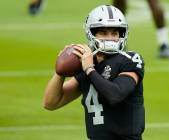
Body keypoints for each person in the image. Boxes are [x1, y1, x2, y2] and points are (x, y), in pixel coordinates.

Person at [43, 5, 145, 140]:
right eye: (103, 33)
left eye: (114, 33)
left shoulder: (129, 59)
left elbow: (116, 94)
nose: (110, 38)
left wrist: (90, 69)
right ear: (91, 34)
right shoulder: (88, 62)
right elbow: (51, 103)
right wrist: (61, 71)